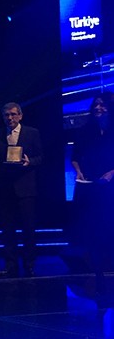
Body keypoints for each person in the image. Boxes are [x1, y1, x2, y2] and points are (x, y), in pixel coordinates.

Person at [0, 102, 43, 277]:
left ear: (20, 116)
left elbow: (41, 157)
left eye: (13, 114)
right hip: (5, 188)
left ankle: (29, 264)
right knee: (7, 229)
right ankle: (10, 265)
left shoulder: (32, 133)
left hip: (26, 188)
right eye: (6, 115)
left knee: (28, 228)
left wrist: (30, 161)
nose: (9, 118)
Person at [70, 92, 114, 279]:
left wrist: (112, 173)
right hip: (90, 184)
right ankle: (95, 264)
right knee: (92, 224)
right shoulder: (85, 130)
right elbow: (75, 156)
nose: (98, 108)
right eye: (96, 104)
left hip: (110, 184)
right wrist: (78, 171)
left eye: (102, 104)